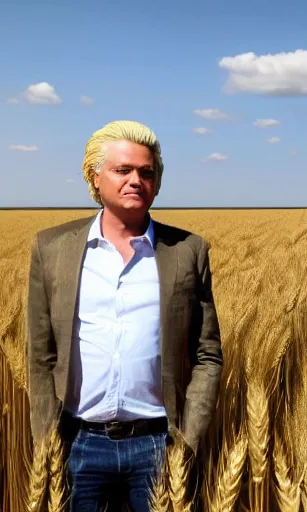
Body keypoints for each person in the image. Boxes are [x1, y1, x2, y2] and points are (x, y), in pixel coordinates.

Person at [25, 120, 223, 511]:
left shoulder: (187, 250)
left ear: (158, 182)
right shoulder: (51, 249)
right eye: (123, 170)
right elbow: (39, 355)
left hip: (158, 444)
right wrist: (49, 440)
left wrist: (188, 439)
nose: (136, 180)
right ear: (95, 178)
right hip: (77, 443)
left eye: (146, 172)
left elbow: (208, 355)